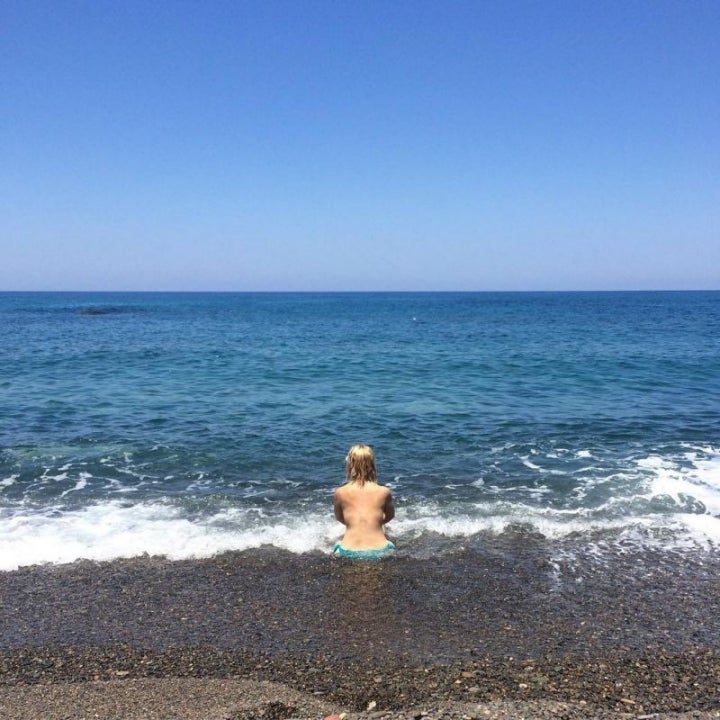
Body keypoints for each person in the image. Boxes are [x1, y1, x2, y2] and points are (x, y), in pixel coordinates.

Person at [332, 443, 395, 560]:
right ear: (372, 464)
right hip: (380, 550)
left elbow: (340, 518)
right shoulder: (384, 491)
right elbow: (390, 516)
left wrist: (353, 524)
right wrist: (376, 523)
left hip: (348, 551)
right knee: (388, 539)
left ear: (350, 464)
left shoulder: (340, 492)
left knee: (337, 545)